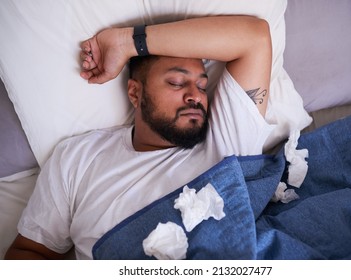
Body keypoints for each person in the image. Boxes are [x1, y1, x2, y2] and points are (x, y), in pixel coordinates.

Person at [5, 15, 273, 259]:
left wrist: (127, 42)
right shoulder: (78, 159)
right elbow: (29, 252)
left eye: (202, 85)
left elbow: (255, 37)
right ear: (135, 93)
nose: (195, 95)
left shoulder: (226, 140)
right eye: (177, 83)